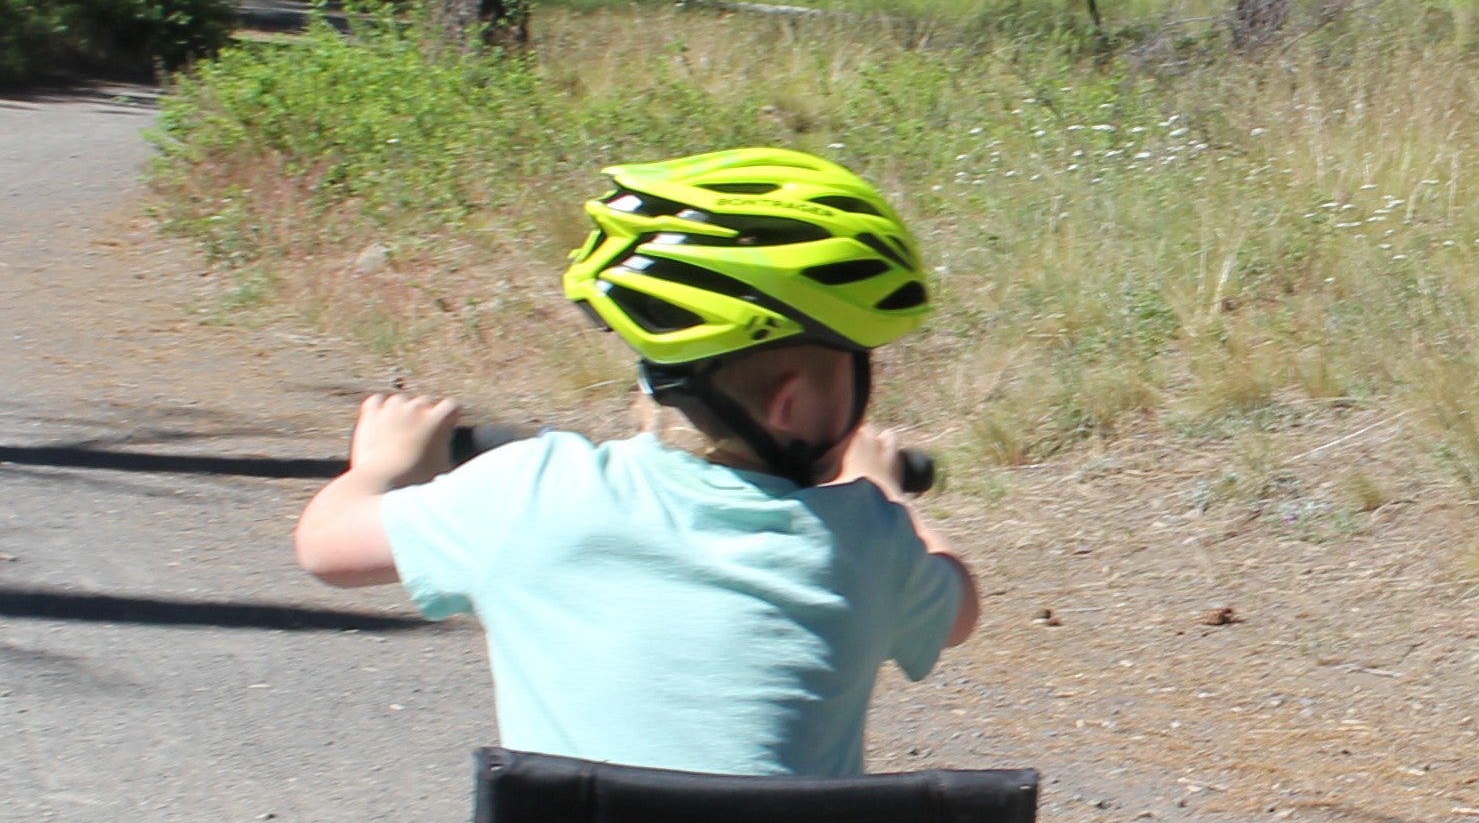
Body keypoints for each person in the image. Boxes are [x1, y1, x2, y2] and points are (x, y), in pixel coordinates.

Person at [294, 144, 981, 775]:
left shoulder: (529, 492)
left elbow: (326, 549)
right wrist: (884, 493)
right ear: (790, 405)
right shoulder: (868, 541)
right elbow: (959, 609)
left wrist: (380, 467)